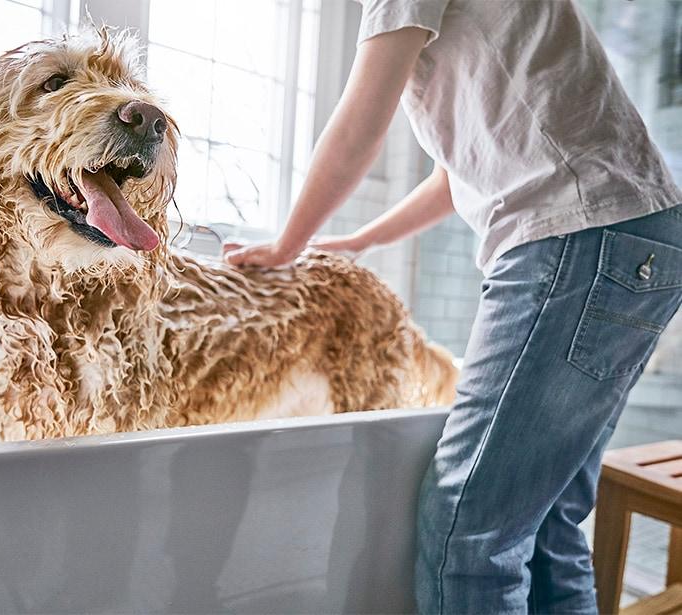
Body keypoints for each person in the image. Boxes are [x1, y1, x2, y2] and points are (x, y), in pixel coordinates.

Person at [222, 1, 682, 613]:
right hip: (631, 233)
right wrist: (363, 239)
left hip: (575, 235)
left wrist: (289, 242)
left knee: (468, 532)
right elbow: (458, 171)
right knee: (546, 526)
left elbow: (363, 119)